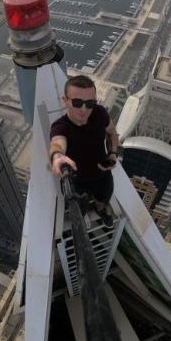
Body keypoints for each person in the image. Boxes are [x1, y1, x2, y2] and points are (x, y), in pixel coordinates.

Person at [49, 75, 119, 227]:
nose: (84, 109)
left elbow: (113, 133)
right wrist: (57, 156)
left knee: (103, 199)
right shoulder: (60, 127)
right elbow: (57, 143)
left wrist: (113, 153)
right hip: (76, 181)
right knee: (80, 208)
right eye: (77, 102)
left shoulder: (100, 113)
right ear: (65, 100)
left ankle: (101, 210)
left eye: (90, 103)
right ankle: (82, 215)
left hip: (102, 174)